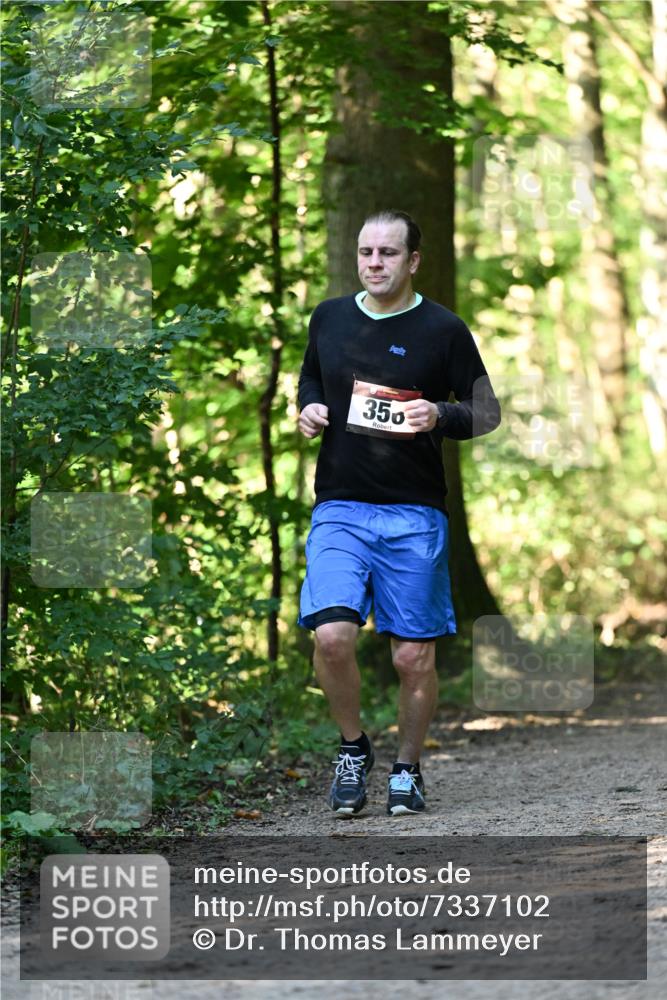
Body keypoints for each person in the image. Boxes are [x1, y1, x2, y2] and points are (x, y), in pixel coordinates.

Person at [296, 209, 500, 817]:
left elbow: (486, 413)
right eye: (366, 253)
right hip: (340, 506)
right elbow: (312, 378)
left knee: (413, 656)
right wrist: (307, 410)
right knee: (332, 635)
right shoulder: (329, 318)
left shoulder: (444, 329)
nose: (375, 263)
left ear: (413, 260)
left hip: (414, 514)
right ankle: (354, 749)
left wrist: (441, 414)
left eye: (388, 253)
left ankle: (407, 767)